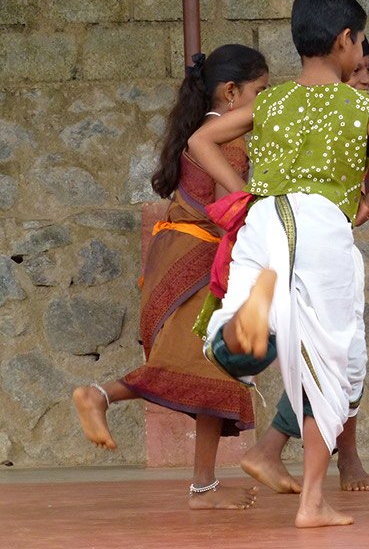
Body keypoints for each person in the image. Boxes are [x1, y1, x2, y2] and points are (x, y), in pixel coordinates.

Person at [187, 0, 369, 528]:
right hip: (322, 226)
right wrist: (368, 205)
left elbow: (199, 141)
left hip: (264, 221)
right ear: (345, 40)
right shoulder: (361, 103)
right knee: (331, 360)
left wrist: (242, 188)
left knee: (233, 329)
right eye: (359, 43)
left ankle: (248, 327)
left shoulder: (272, 101)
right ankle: (311, 501)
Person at [72, 44, 268, 510]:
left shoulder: (200, 130)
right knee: (196, 364)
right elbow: (229, 210)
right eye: (261, 92)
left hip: (174, 256)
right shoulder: (229, 140)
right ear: (232, 91)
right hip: (196, 260)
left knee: (208, 370)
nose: (264, 103)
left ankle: (203, 487)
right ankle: (98, 394)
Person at [241, 35, 369, 495]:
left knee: (344, 356)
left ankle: (293, 455)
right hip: (305, 249)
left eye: (368, 71)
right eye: (356, 69)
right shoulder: (310, 109)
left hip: (319, 246)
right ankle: (296, 473)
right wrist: (367, 206)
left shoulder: (348, 112)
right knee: (336, 357)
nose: (362, 80)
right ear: (341, 55)